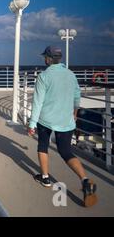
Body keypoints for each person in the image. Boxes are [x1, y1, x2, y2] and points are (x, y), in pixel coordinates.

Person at [28, 46, 97, 207]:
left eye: (45, 56)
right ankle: (85, 180)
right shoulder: (71, 74)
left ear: (48, 59)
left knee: (43, 146)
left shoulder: (43, 76)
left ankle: (45, 178)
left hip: (46, 119)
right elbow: (76, 96)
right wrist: (74, 113)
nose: (44, 59)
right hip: (66, 119)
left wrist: (31, 124)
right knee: (66, 152)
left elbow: (37, 102)